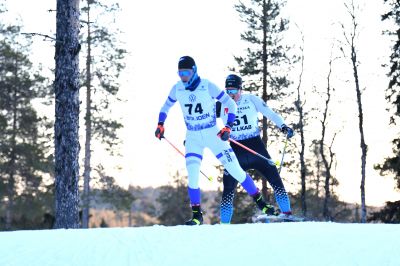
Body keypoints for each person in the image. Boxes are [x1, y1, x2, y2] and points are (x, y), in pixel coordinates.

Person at [155, 56, 276, 225]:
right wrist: (161, 124)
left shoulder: (207, 86)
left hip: (213, 133)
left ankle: (261, 203)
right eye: (180, 73)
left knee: (236, 170)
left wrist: (228, 126)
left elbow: (230, 104)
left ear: (194, 71)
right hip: (193, 136)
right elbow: (165, 107)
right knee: (193, 176)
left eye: (186, 72)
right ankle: (197, 215)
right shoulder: (177, 89)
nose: (183, 76)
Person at [216, 74, 294, 224]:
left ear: (240, 89)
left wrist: (283, 127)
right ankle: (224, 224)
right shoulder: (221, 104)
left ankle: (287, 214)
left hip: (255, 147)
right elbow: (206, 122)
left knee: (275, 178)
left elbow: (270, 113)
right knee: (228, 188)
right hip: (235, 149)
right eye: (228, 91)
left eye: (233, 91)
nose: (231, 95)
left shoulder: (251, 99)